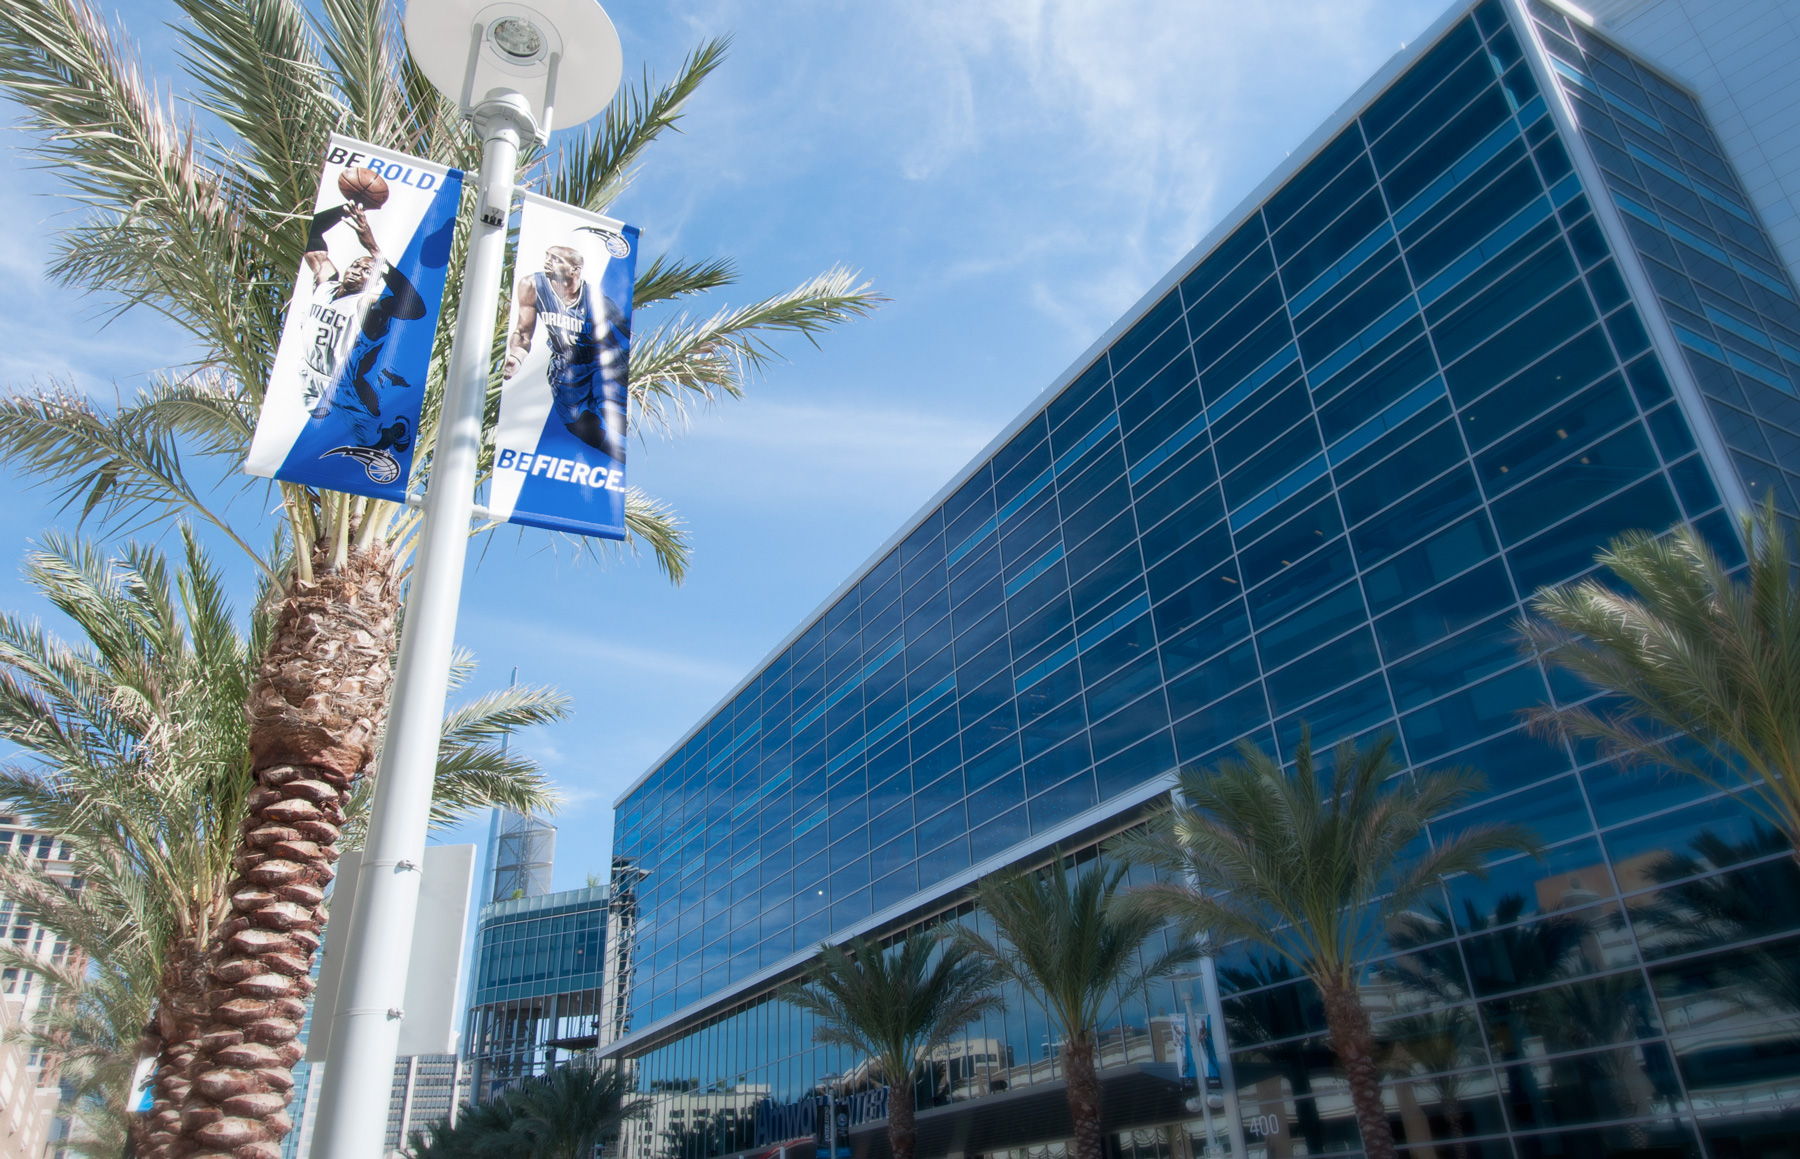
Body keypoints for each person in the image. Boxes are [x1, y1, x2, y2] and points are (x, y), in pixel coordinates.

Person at [300, 199, 426, 457]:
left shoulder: (370, 305)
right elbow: (314, 232)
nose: (358, 270)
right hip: (309, 372)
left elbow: (416, 308)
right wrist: (346, 208)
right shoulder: (325, 284)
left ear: (375, 280)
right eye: (356, 264)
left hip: (342, 385)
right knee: (312, 422)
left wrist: (373, 249)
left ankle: (397, 430)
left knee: (372, 443)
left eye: (367, 270)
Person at [503, 241, 629, 462]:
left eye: (556, 259)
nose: (548, 262)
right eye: (547, 256)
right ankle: (619, 456)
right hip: (565, 368)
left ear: (574, 270)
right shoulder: (532, 285)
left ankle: (633, 455)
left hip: (598, 364)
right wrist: (516, 357)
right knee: (580, 427)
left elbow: (626, 331)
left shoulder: (596, 299)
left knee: (610, 408)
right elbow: (523, 331)